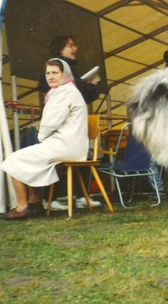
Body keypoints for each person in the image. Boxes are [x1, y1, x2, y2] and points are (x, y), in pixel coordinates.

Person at [1, 59, 88, 220]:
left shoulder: (65, 92)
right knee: (27, 158)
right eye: (48, 73)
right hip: (70, 144)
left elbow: (51, 122)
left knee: (14, 159)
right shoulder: (63, 91)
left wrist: (41, 137)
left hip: (67, 145)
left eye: (55, 72)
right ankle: (33, 201)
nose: (50, 76)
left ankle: (22, 207)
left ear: (65, 74)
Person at [38, 35, 101, 211]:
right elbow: (79, 92)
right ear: (60, 49)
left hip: (65, 125)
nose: (75, 49)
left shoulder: (63, 68)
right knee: (63, 157)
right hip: (64, 126)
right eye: (70, 45)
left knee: (74, 156)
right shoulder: (62, 69)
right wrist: (93, 87)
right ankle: (58, 197)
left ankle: (77, 196)